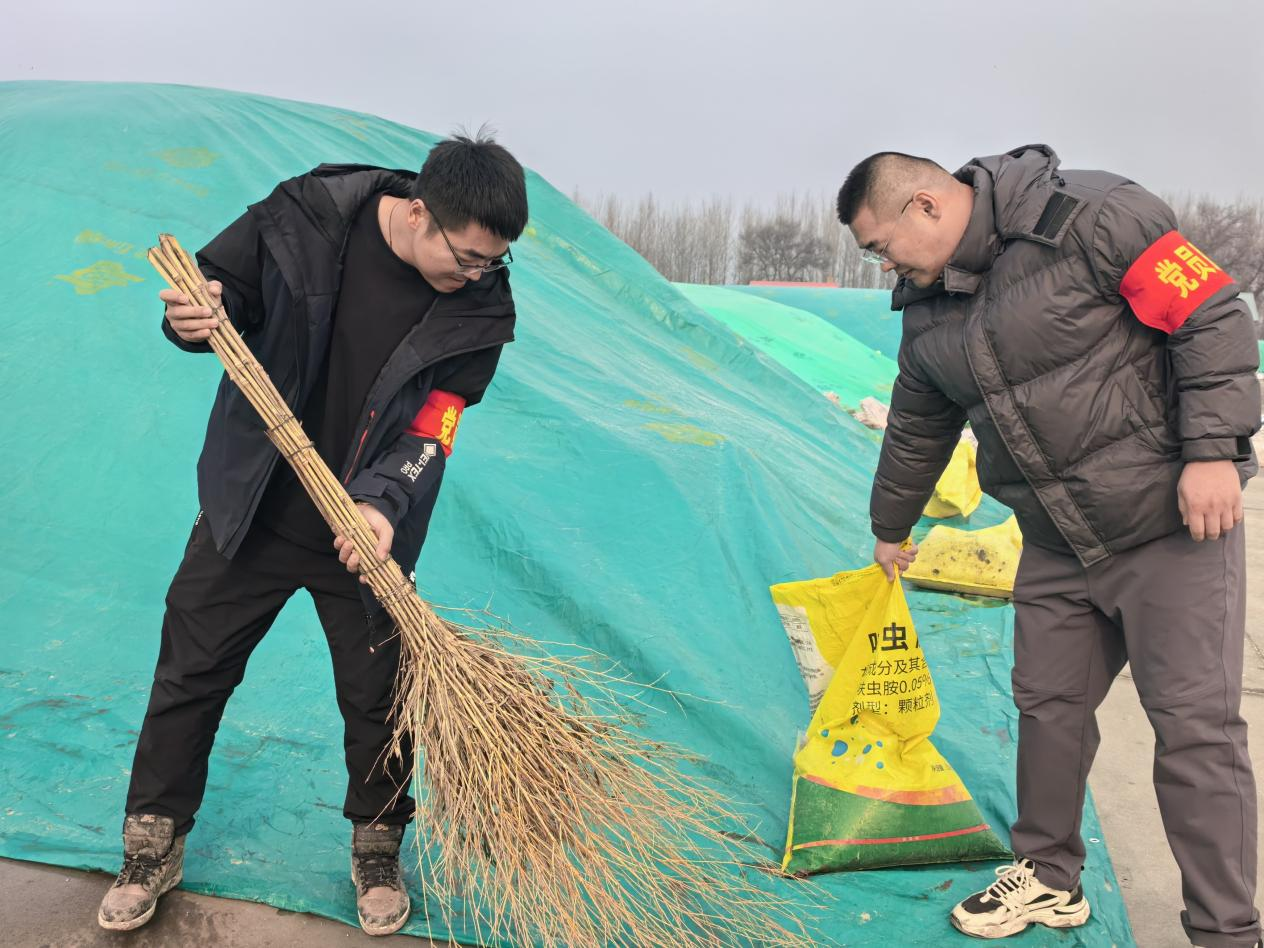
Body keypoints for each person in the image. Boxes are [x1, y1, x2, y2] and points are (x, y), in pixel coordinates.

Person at [97, 133, 528, 937]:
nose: (477, 274)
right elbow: (219, 293)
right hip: (252, 502)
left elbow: (438, 424)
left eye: (493, 262)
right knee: (190, 673)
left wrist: (383, 504)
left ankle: (378, 847)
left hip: (365, 532)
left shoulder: (481, 309)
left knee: (380, 697)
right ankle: (152, 842)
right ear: (419, 212)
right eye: (468, 256)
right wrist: (195, 316)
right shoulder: (309, 215)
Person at [837, 145, 1260, 947]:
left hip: (1167, 526)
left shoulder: (1093, 216)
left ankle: (1226, 930)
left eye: (880, 245)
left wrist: (1212, 451)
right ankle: (1050, 876)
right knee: (1048, 708)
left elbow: (1209, 314)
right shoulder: (928, 306)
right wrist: (890, 526)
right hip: (1057, 542)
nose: (882, 263)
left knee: (1195, 733)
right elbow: (918, 424)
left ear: (925, 205)